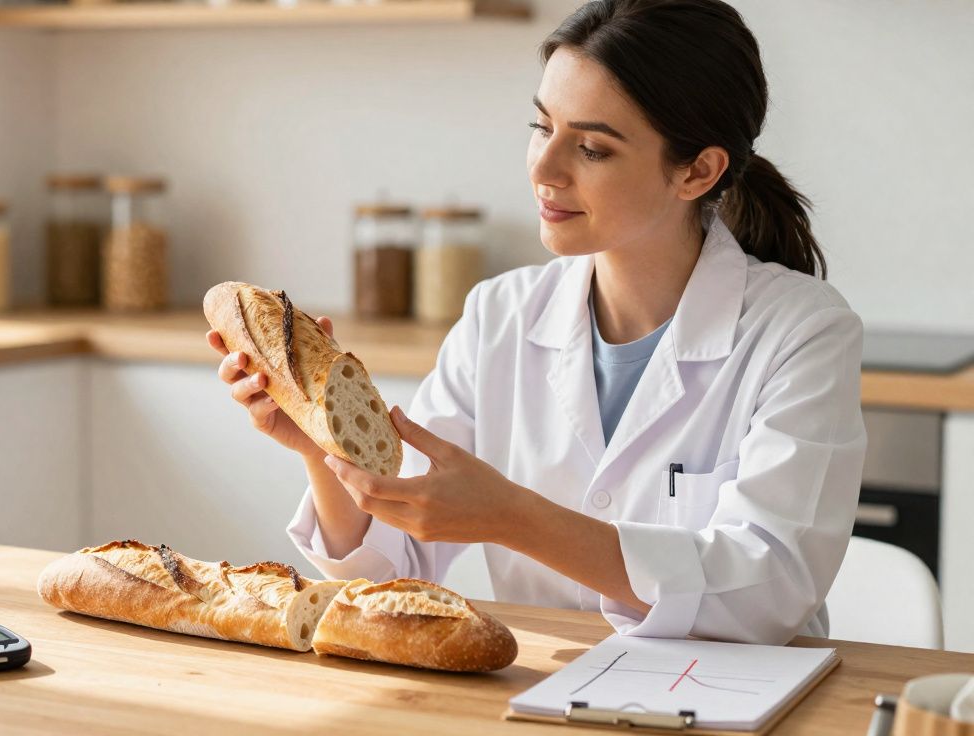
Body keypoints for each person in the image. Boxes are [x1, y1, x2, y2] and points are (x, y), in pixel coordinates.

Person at [206, 0, 865, 645]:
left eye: (593, 149)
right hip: (543, 691)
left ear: (697, 170)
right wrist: (322, 448)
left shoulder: (801, 332)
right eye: (542, 126)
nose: (545, 169)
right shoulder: (499, 315)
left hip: (732, 696)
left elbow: (766, 595)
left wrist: (513, 517)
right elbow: (389, 564)